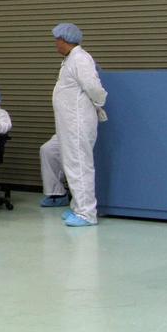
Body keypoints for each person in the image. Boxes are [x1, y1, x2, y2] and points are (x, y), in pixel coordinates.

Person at [39, 23, 108, 227]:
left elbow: (94, 87)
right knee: (72, 165)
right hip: (69, 124)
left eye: (56, 40)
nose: (55, 44)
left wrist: (99, 102)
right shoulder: (70, 60)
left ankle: (87, 213)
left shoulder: (81, 59)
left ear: (64, 39)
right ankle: (78, 207)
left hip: (77, 123)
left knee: (79, 166)